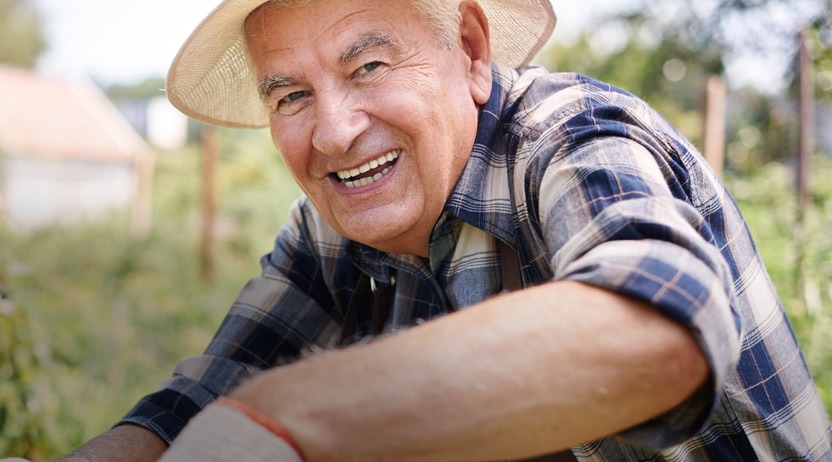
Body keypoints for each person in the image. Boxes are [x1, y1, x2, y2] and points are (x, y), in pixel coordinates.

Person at [52, 0, 832, 460]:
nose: (331, 133)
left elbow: (661, 330)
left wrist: (287, 421)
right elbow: (199, 399)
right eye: (290, 96)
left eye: (368, 69)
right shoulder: (333, 227)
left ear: (468, 50)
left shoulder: (571, 138)